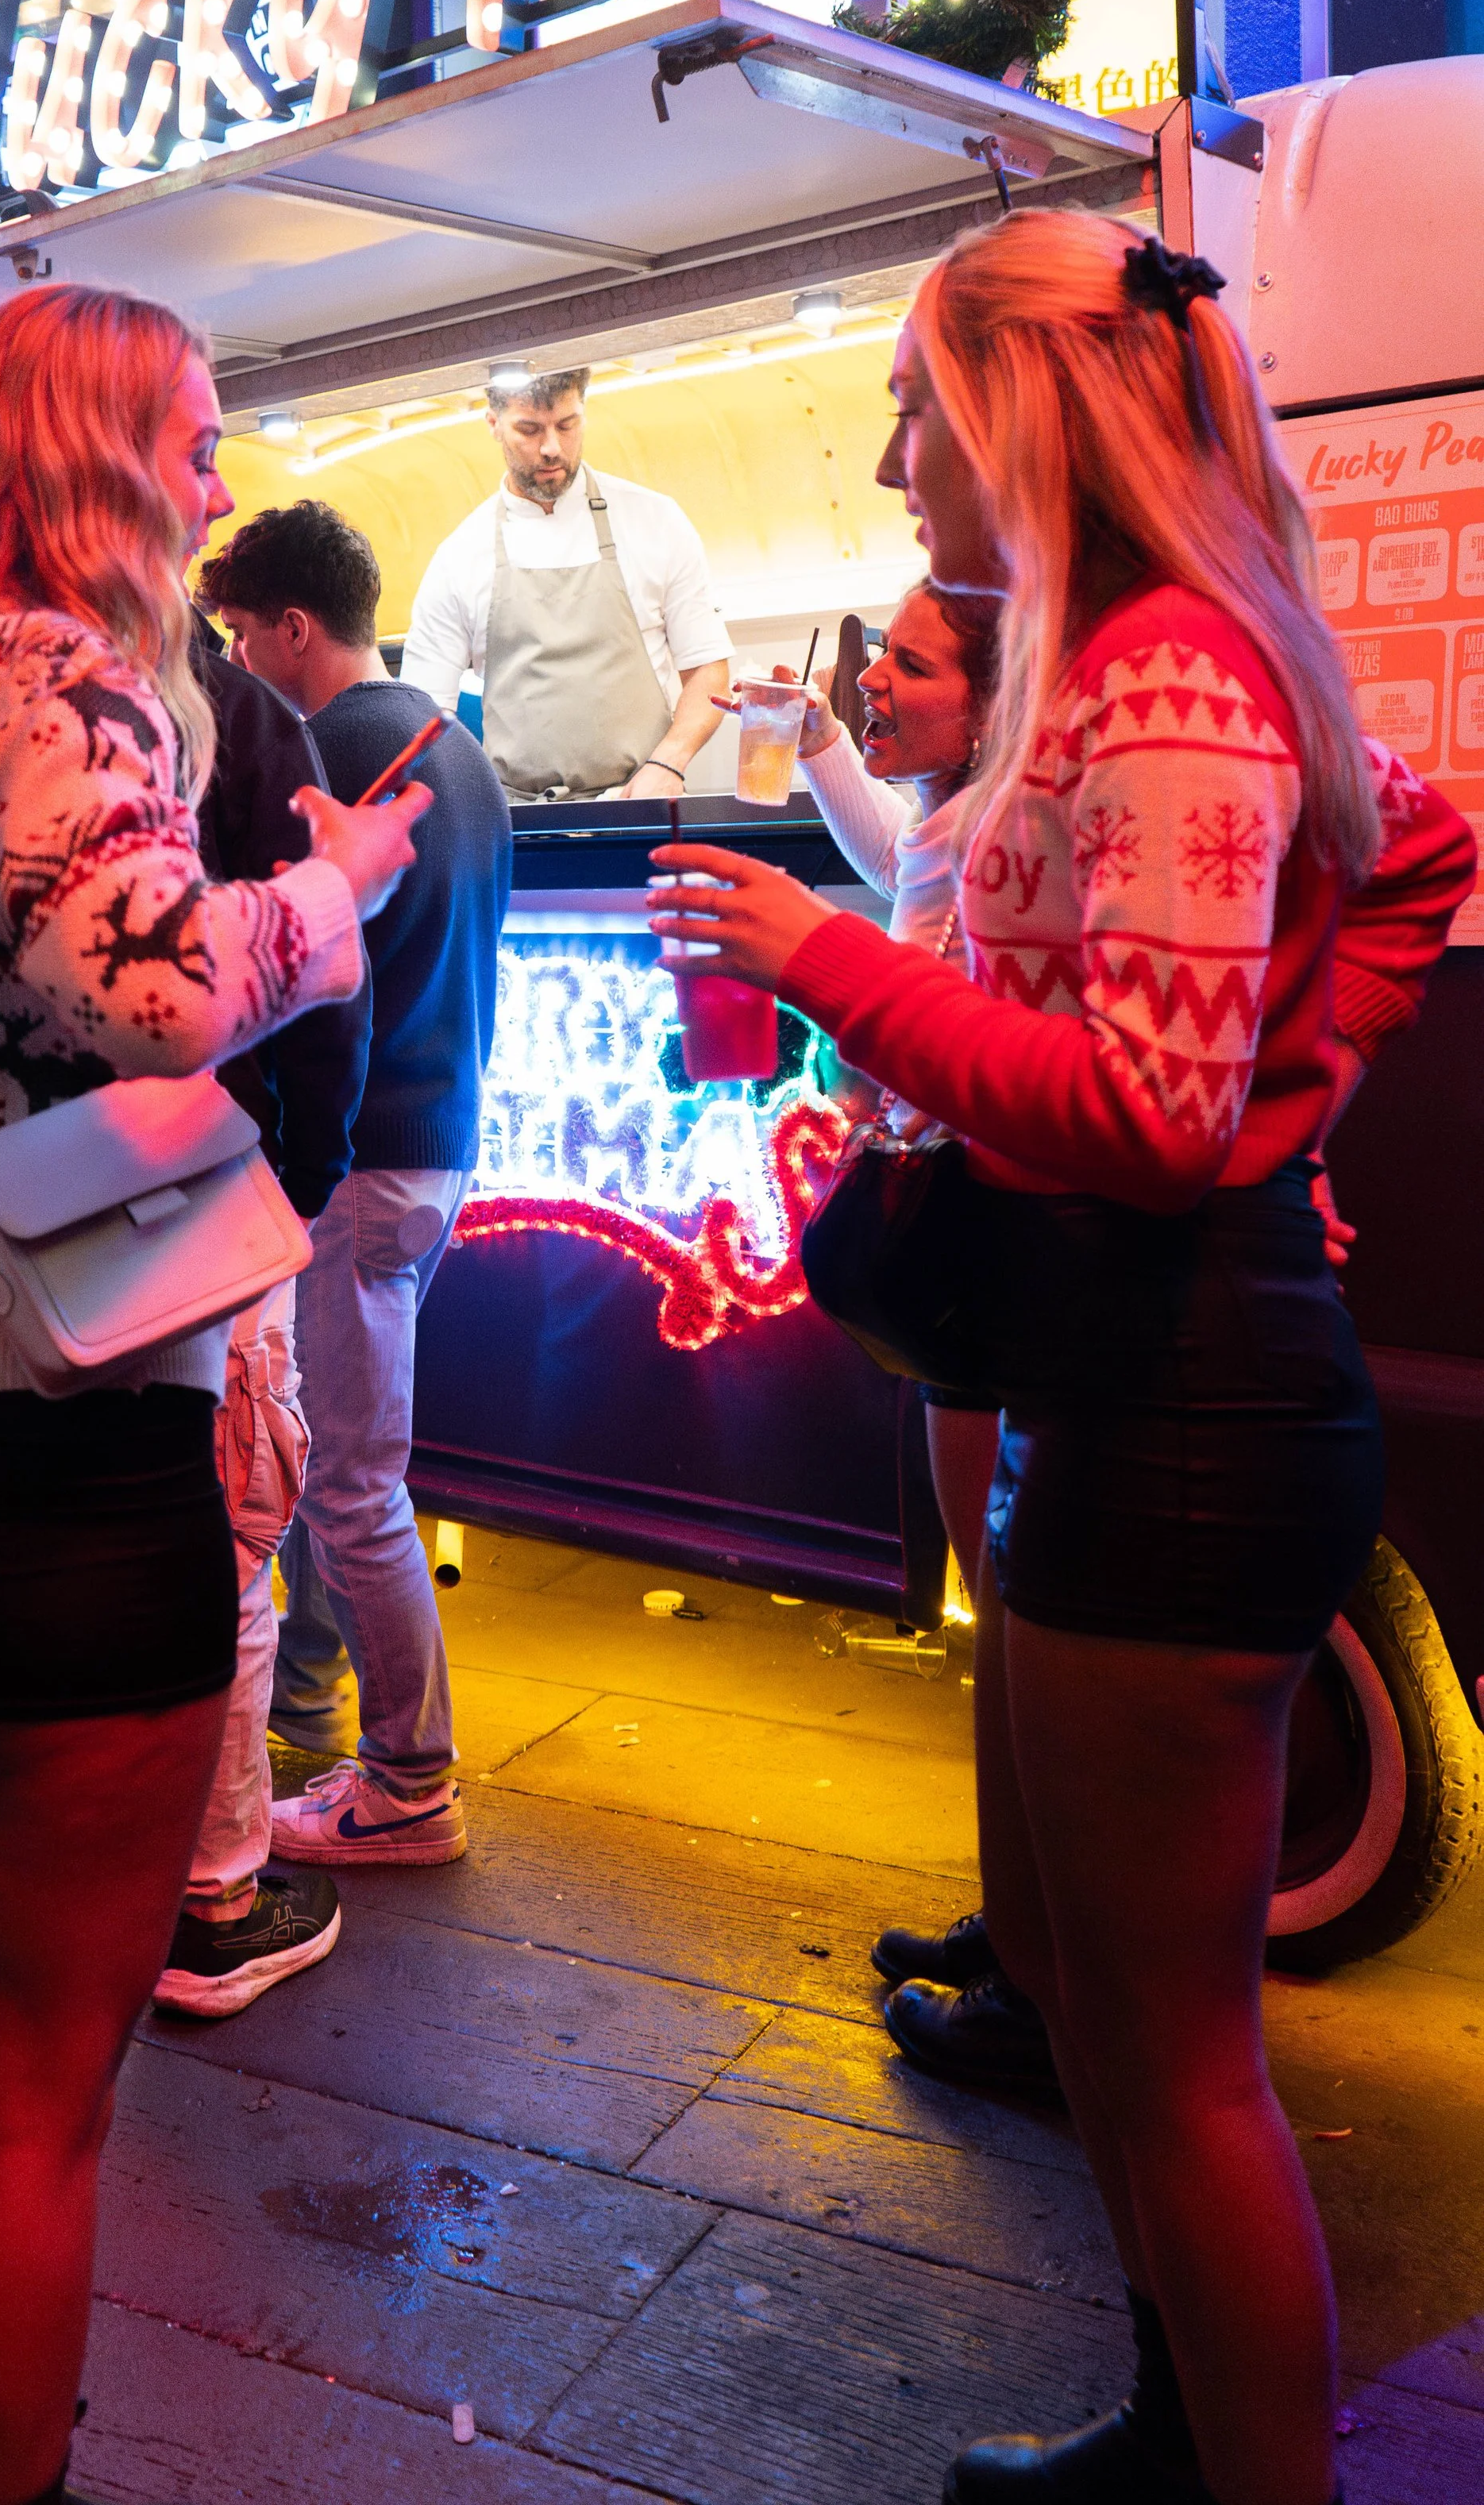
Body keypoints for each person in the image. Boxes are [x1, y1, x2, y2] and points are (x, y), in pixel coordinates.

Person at [646, 211, 1475, 2505]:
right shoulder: (1119, 662)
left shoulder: (1169, 674)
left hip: (1184, 1402)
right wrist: (1293, 1079)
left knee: (1175, 2051)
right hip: (1128, 1384)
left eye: (915, 398)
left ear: (1018, 407)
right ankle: (1182, 2436)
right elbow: (1406, 865)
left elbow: (1145, 1104)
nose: (896, 447)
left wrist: (831, 955)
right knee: (1111, 2020)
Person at [0, 289, 426, 2505]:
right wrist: (328, 882)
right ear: (95, 450)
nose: (216, 487)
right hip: (64, 1438)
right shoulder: (54, 672)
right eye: (194, 440)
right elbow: (154, 986)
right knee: (43, 2087)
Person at [199, 499, 511, 1864]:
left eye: (238, 635)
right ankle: (372, 1753)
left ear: (292, 626)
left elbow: (300, 975)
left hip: (363, 1161)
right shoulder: (462, 749)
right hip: (438, 1145)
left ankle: (406, 1779)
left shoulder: (331, 756)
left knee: (349, 1489)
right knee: (354, 1472)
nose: (234, 666)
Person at [766, 585, 1048, 2084]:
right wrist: (821, 746)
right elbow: (901, 865)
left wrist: (831, 977)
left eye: (911, 664)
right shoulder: (953, 810)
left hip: (978, 1215)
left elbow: (960, 982)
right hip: (951, 1210)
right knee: (997, 1603)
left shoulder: (1015, 816)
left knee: (1012, 1600)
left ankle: (1040, 1957)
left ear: (997, 698)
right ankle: (1023, 1925)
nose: (879, 676)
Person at [152, 608, 372, 2017]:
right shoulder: (229, 714)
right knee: (235, 1533)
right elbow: (321, 979)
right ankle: (217, 1896)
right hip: (214, 1189)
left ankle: (116, 1863)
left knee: (126, 1526)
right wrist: (296, 1171)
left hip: (19, 1221)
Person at [401, 364, 730, 802]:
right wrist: (467, 801)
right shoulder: (459, 555)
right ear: (494, 423)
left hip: (640, 806)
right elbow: (424, 714)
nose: (551, 448)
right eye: (530, 430)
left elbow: (709, 671)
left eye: (567, 425)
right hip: (518, 822)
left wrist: (669, 761)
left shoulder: (655, 520)